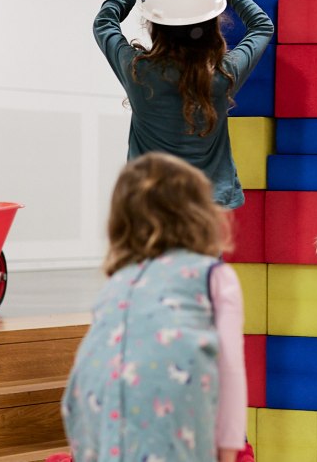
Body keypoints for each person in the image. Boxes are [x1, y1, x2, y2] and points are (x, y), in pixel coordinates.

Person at [61, 152, 247, 462]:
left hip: (96, 409)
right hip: (173, 409)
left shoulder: (119, 281)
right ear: (200, 215)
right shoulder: (213, 275)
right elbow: (229, 369)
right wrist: (228, 449)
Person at [95, 0, 274, 209]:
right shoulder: (222, 75)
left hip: (150, 206)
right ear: (211, 24)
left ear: (155, 25)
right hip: (208, 208)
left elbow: (104, 21)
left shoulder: (138, 71)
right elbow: (262, 25)